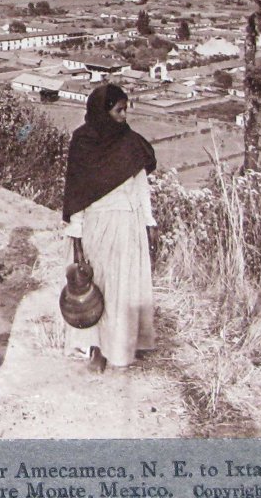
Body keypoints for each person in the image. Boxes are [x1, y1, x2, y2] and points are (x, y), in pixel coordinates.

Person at [62, 83, 158, 373]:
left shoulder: (132, 143)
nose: (124, 115)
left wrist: (149, 223)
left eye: (126, 109)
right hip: (96, 227)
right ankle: (95, 349)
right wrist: (77, 241)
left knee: (122, 289)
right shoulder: (82, 143)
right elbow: (76, 194)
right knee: (96, 287)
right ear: (103, 111)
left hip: (127, 226)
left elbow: (141, 188)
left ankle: (120, 349)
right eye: (118, 110)